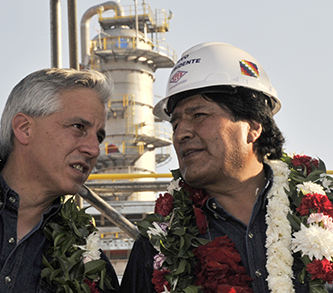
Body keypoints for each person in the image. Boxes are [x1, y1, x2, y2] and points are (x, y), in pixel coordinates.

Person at [121, 42, 333, 292]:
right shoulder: (157, 246)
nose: (180, 135)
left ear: (253, 126)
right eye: (175, 124)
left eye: (198, 115)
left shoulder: (322, 211)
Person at [0, 68, 120, 292]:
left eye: (98, 136)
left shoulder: (92, 272)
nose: (94, 149)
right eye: (79, 127)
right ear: (24, 129)